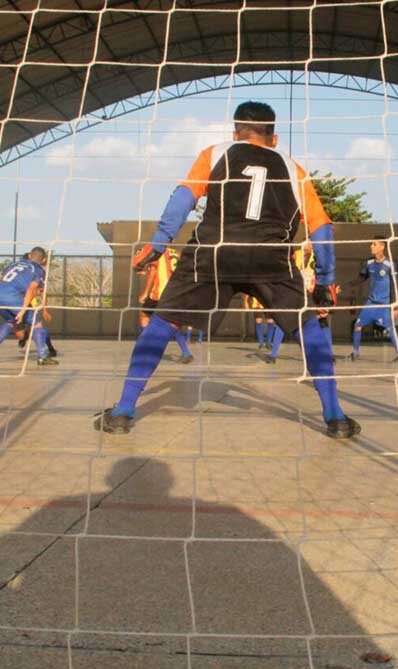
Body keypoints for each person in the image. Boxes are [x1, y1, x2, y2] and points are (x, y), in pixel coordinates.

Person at [94, 100, 358, 439]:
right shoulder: (294, 170)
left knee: (163, 321)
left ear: (235, 132)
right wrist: (325, 279)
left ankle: (123, 411)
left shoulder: (215, 153)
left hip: (213, 252)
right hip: (270, 256)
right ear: (273, 137)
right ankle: (335, 417)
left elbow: (183, 198)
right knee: (309, 328)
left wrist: (159, 242)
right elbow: (321, 228)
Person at [0, 246, 58, 366]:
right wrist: (23, 309)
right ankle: (42, 357)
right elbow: (32, 288)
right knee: (37, 322)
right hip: (13, 297)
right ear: (44, 260)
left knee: (11, 321)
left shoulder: (14, 264)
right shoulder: (38, 270)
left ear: (29, 255)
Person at [348, 237, 398, 363]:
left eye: (374, 244)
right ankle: (355, 353)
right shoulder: (368, 263)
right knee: (358, 326)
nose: (371, 246)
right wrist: (345, 286)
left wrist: (395, 307)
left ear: (382, 247)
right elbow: (361, 278)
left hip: (384, 305)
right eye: (371, 244)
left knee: (390, 330)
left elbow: (395, 285)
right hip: (370, 303)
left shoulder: (389, 265)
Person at [135, 245, 192, 363]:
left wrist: (145, 292)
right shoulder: (174, 252)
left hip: (160, 292)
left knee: (144, 316)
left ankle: (146, 349)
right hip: (174, 292)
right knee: (171, 322)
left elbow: (153, 272)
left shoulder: (158, 251)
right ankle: (186, 352)